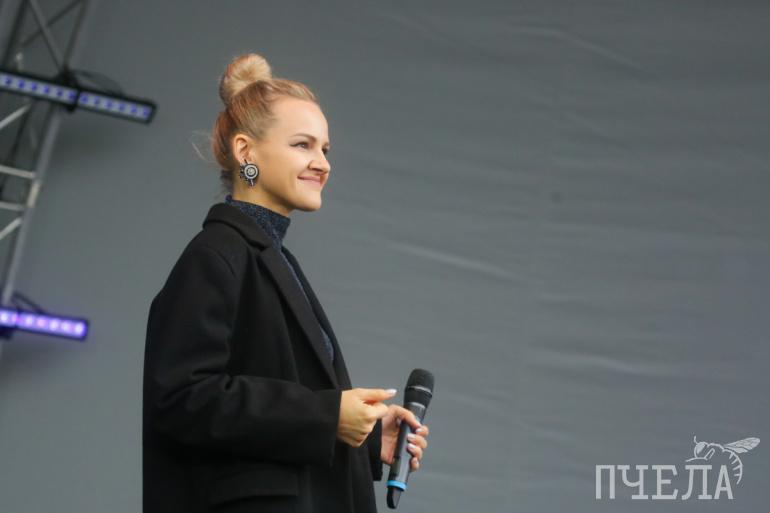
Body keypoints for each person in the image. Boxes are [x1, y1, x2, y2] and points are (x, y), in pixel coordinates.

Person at [142, 53, 430, 513]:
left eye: (326, 150)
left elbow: (273, 409)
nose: (322, 164)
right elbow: (181, 398)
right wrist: (328, 415)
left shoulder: (272, 258)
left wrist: (367, 437)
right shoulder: (217, 254)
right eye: (303, 145)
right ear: (246, 153)